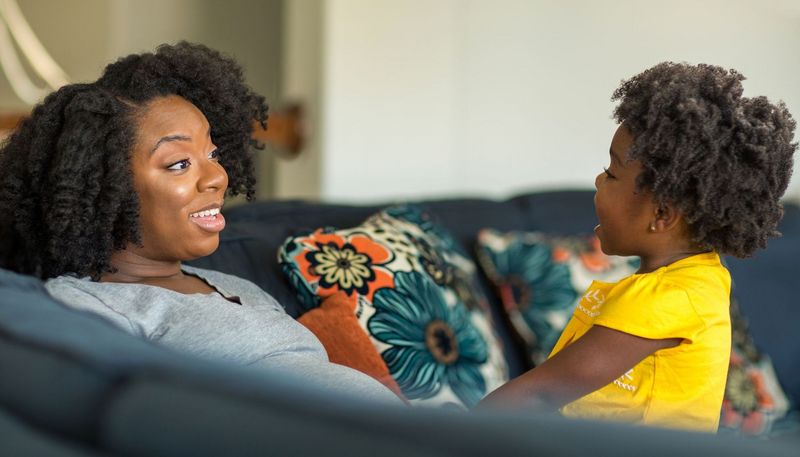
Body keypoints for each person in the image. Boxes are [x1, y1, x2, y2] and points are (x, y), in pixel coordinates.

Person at [0, 42, 401, 405]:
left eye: (212, 153)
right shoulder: (87, 305)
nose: (217, 177)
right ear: (103, 186)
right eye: (179, 163)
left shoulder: (237, 288)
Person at [478, 62, 797, 432]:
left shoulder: (664, 300)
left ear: (661, 215)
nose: (599, 179)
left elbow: (542, 395)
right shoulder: (698, 279)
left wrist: (446, 437)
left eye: (612, 173)